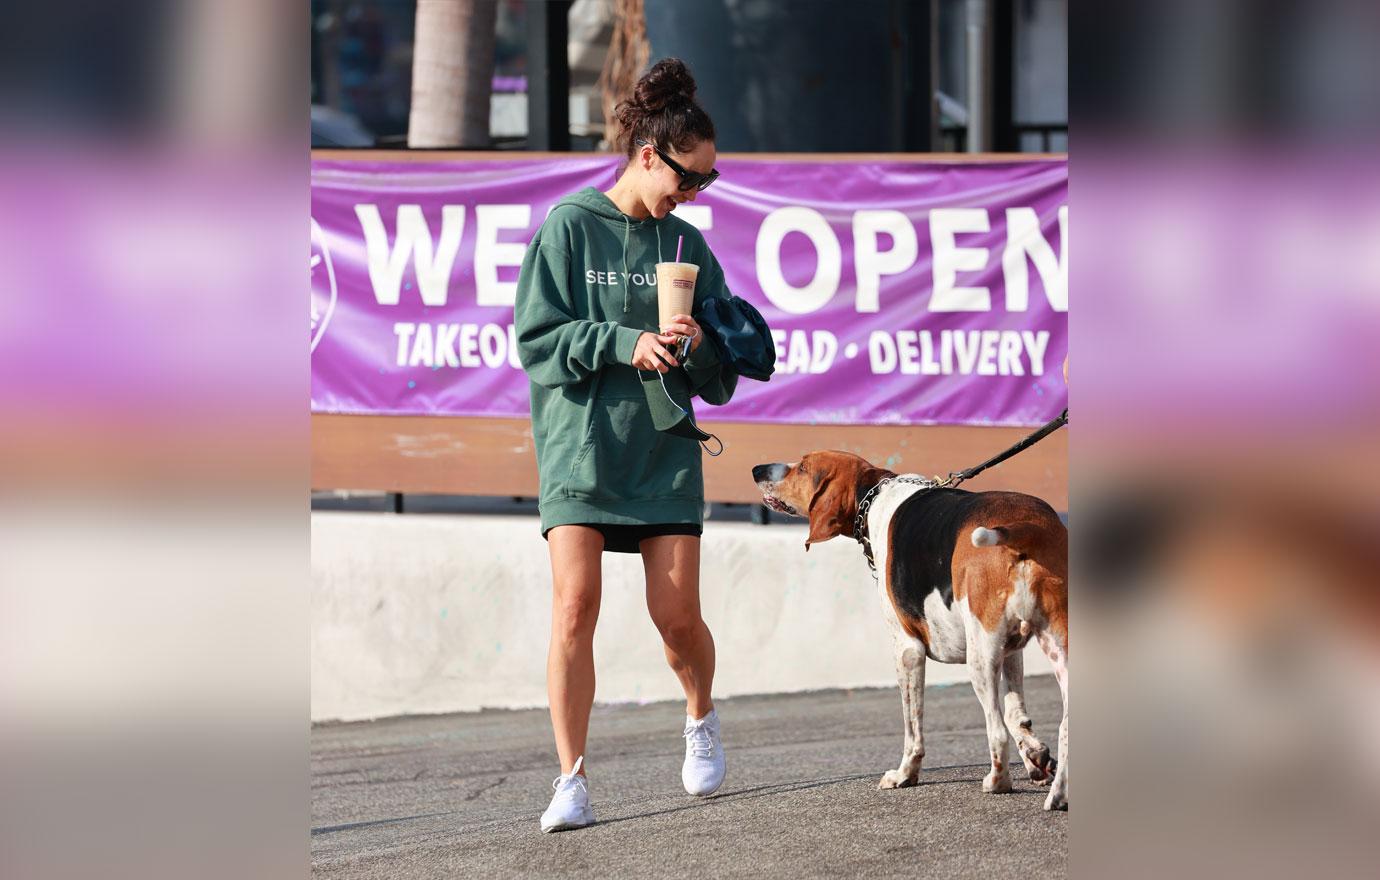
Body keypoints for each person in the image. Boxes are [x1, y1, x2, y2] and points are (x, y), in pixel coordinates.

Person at [513, 57, 739, 833]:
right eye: (690, 178)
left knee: (678, 619)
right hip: (580, 451)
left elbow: (720, 379)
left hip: (662, 449)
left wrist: (702, 340)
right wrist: (624, 341)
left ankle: (700, 714)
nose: (695, 195)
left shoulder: (686, 246)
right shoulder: (570, 227)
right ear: (650, 154)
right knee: (574, 607)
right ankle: (571, 779)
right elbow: (537, 339)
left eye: (706, 184)